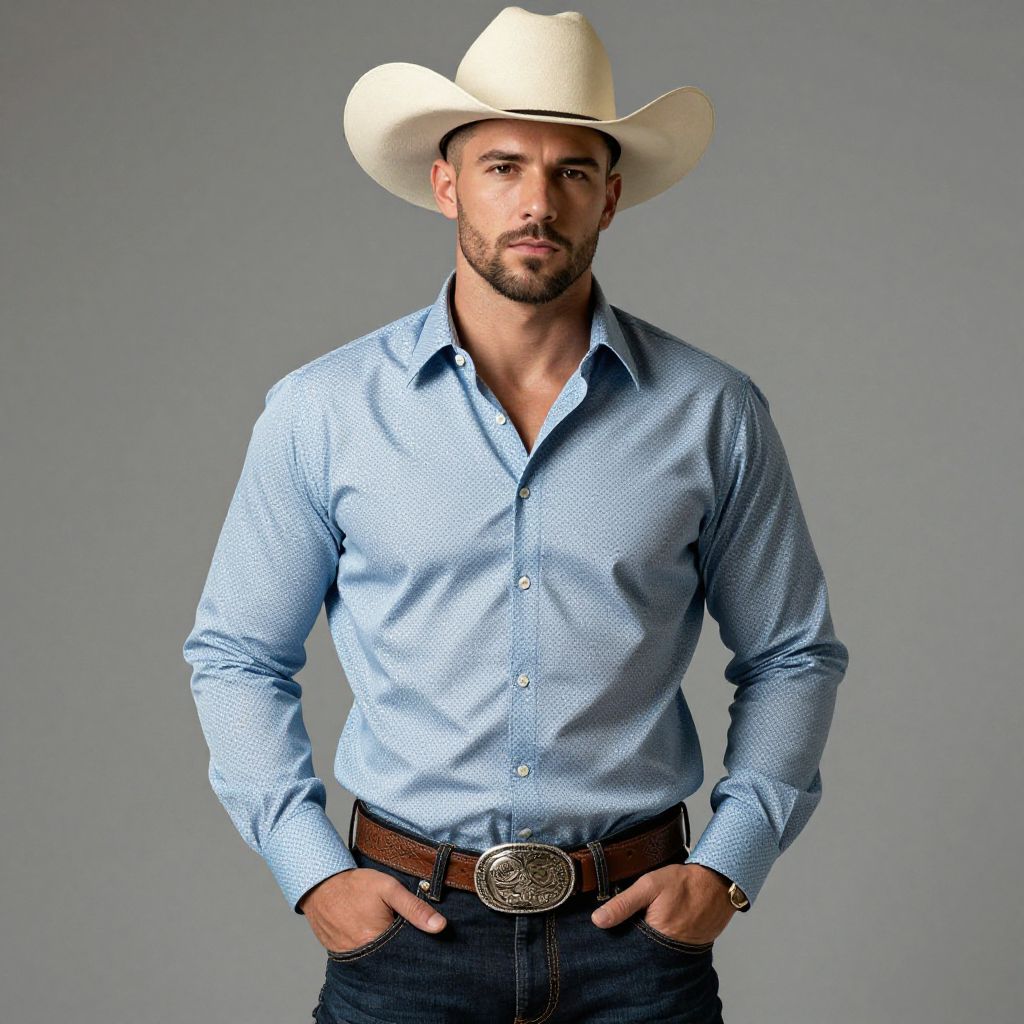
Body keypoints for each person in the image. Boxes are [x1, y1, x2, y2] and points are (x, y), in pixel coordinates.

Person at [182, 7, 850, 1022]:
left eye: (571, 172)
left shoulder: (712, 412)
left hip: (638, 946)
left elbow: (792, 653)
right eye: (502, 166)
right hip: (404, 936)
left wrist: (726, 863)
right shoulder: (321, 413)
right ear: (445, 183)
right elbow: (236, 651)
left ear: (610, 198)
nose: (536, 202)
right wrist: (310, 867)